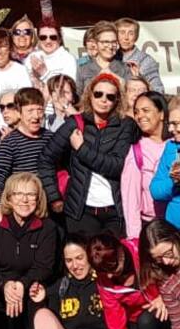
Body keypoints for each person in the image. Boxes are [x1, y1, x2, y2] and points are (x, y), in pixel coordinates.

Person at [39, 72, 137, 237]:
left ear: (117, 100)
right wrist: (54, 197)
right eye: (98, 94)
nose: (103, 100)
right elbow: (46, 159)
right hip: (80, 211)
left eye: (110, 96)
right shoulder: (75, 123)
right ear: (90, 95)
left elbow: (117, 166)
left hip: (115, 211)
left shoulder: (126, 126)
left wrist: (82, 149)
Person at [0, 174, 58, 329]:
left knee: (38, 290)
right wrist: (4, 284)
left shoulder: (47, 227)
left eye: (31, 195)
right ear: (8, 198)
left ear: (38, 198)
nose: (24, 200)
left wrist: (22, 285)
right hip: (1, 288)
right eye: (18, 194)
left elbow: (44, 266)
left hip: (30, 284)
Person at [0, 87, 58, 213]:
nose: (36, 116)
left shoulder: (51, 138)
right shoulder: (9, 142)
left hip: (49, 207)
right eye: (30, 111)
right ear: (19, 112)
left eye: (39, 110)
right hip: (22, 207)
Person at [139, 219, 180, 329]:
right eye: (158, 259)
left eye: (168, 253)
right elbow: (178, 327)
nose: (166, 261)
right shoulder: (166, 283)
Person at [123, 91, 168, 242]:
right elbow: (131, 198)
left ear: (161, 113)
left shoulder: (174, 145)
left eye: (145, 110)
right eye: (136, 112)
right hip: (151, 226)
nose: (140, 116)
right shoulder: (137, 150)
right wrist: (135, 237)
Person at [148, 96, 180, 229]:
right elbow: (155, 190)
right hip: (175, 226)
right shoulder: (171, 147)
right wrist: (173, 181)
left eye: (176, 123)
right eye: (170, 124)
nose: (171, 129)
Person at [75, 22, 130, 94]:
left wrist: (119, 80)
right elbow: (78, 99)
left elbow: (131, 96)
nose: (110, 46)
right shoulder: (83, 69)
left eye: (113, 42)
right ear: (96, 43)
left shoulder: (125, 68)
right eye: (105, 42)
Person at [115, 17, 164, 93]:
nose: (126, 37)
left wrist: (140, 79)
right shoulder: (110, 57)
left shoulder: (146, 61)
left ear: (136, 37)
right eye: (122, 32)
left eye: (131, 33)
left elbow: (159, 91)